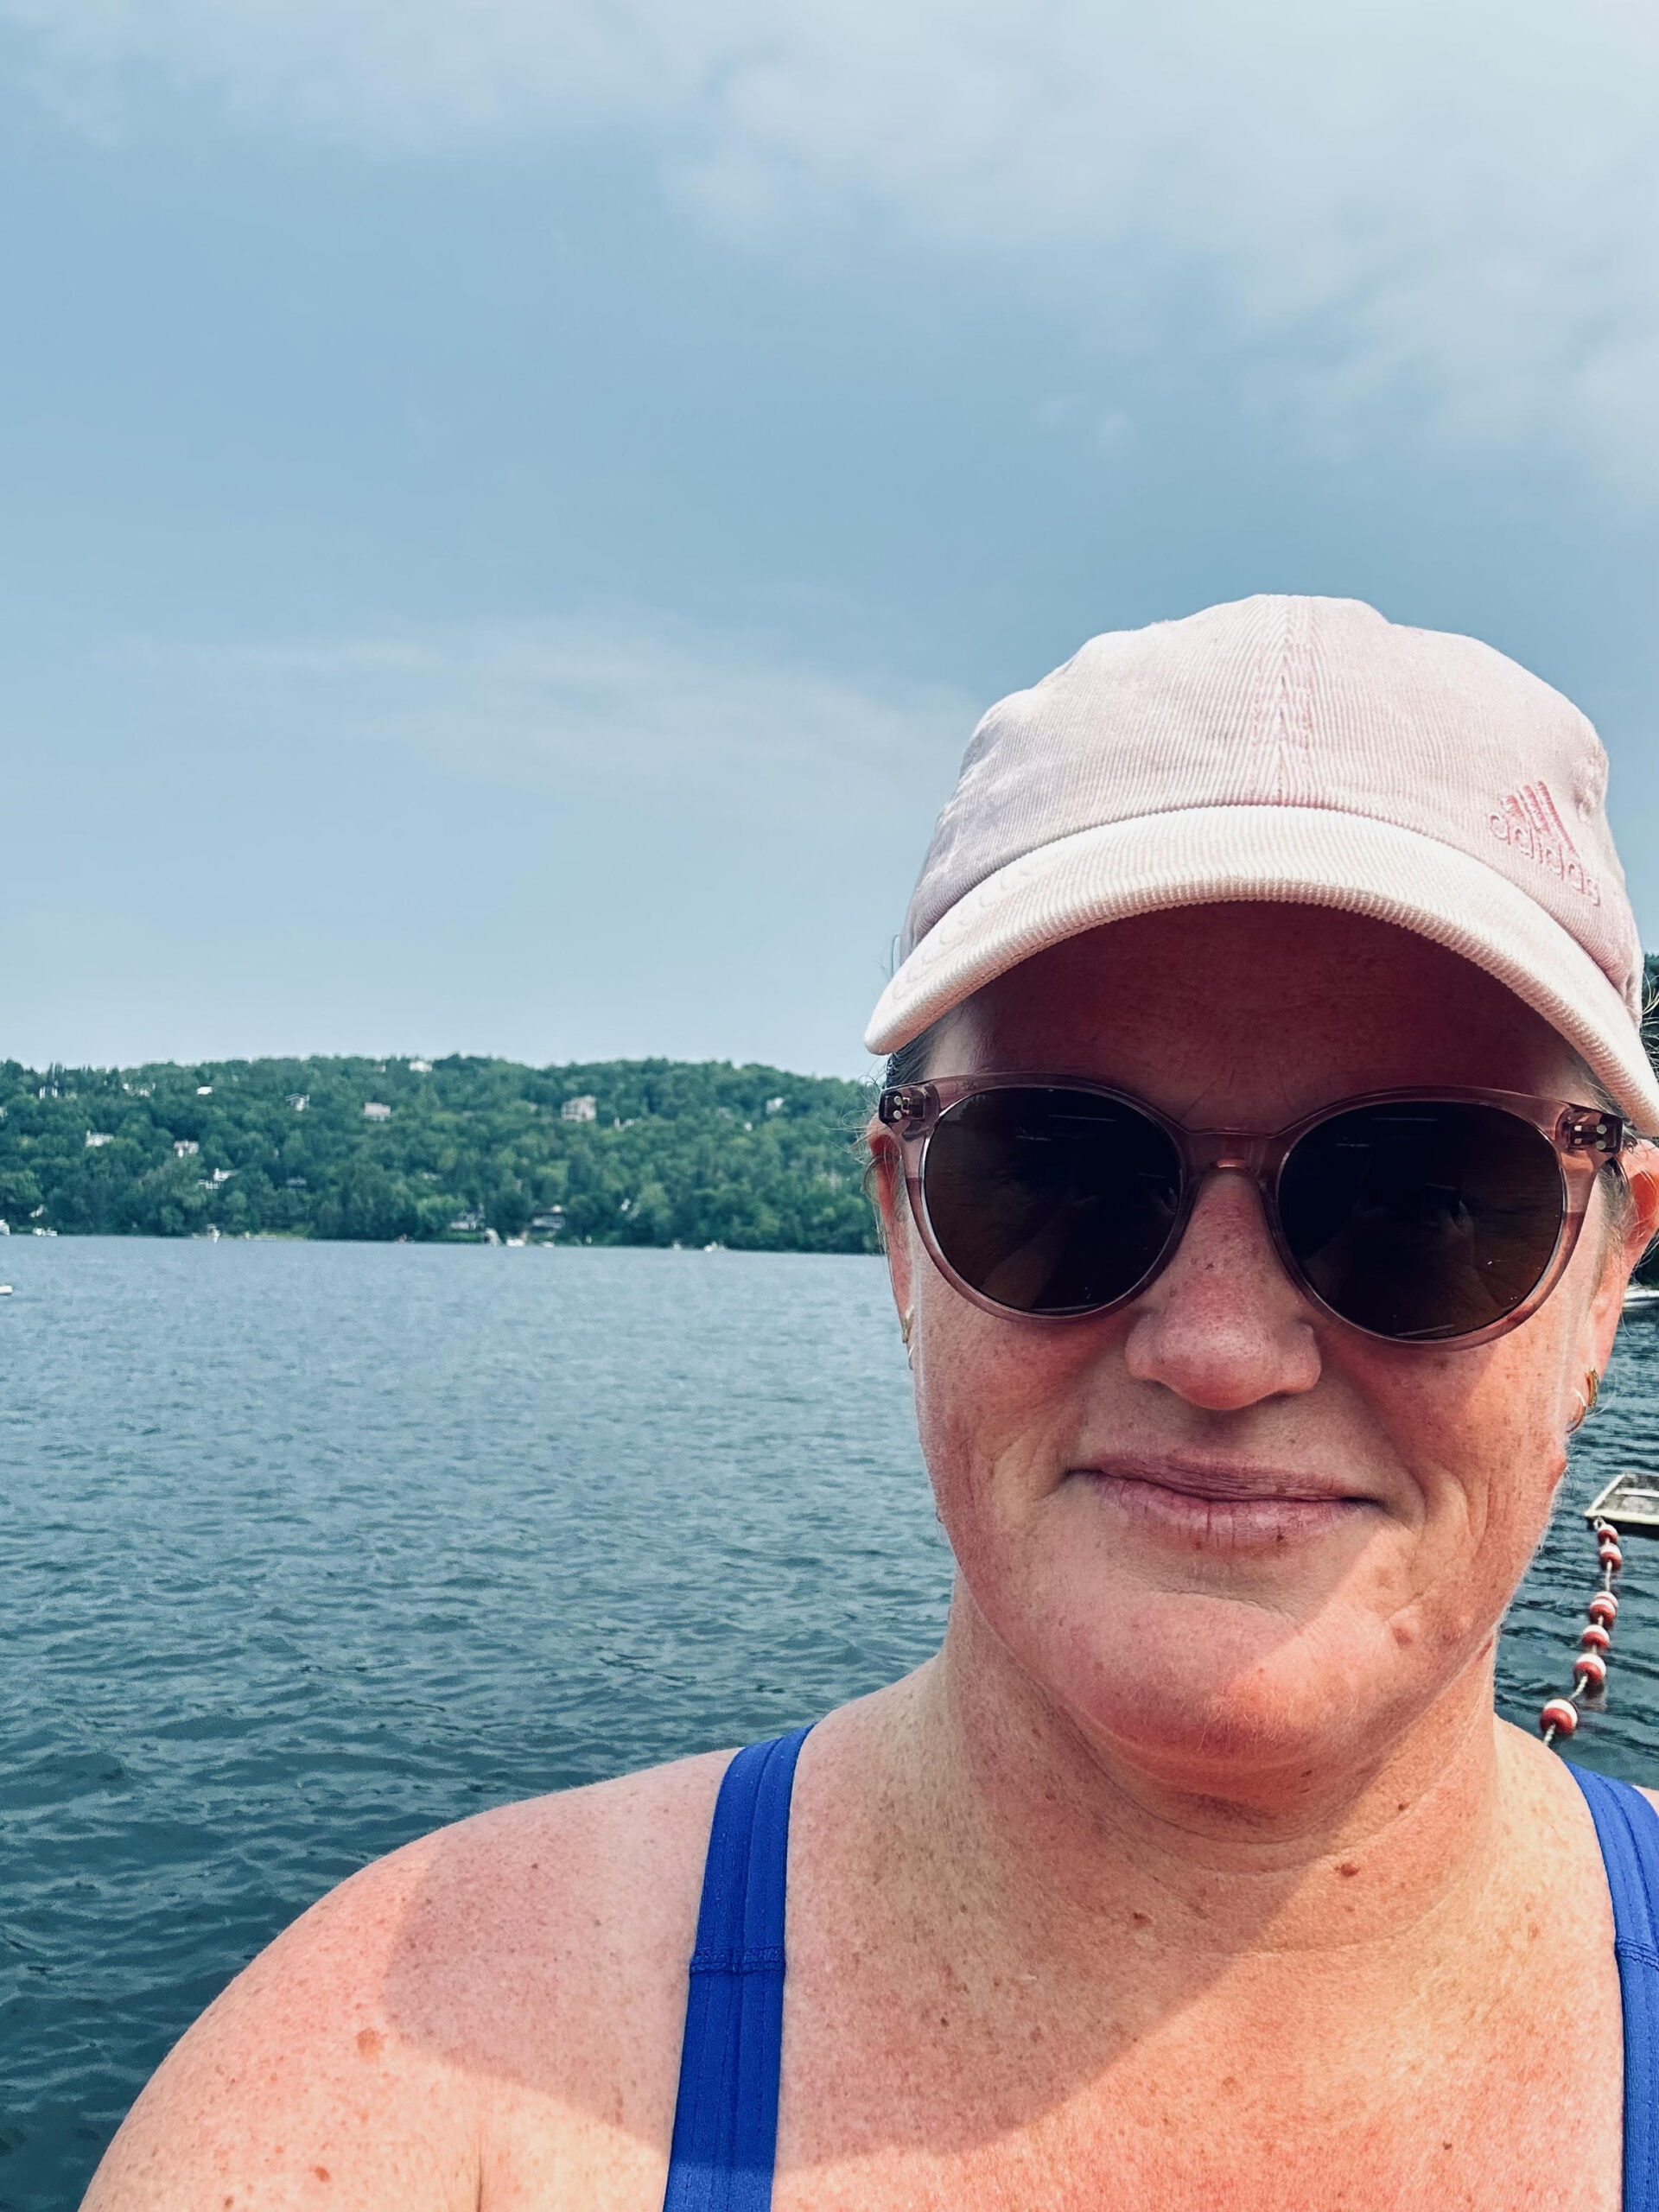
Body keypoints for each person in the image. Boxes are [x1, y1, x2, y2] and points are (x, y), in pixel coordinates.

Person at [87, 595, 1659, 2211]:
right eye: (1053, 1174)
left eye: (1425, 1198)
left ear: (1609, 1274)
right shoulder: (421, 2076)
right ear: (905, 1231)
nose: (1219, 1348)